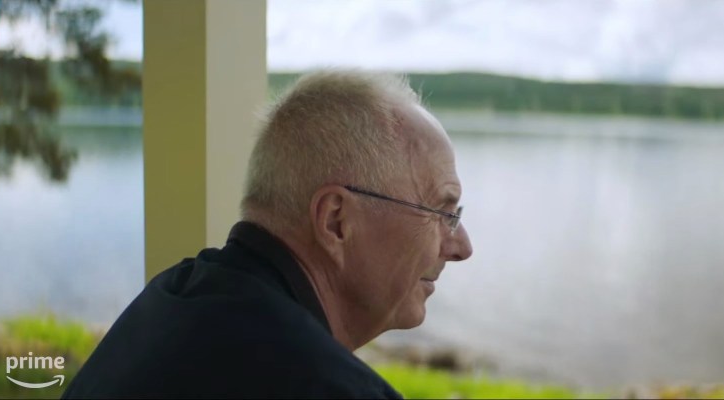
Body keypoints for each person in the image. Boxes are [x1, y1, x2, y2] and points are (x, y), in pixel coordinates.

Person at [62, 70, 473, 399]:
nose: (461, 247)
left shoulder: (168, 301)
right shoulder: (329, 387)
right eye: (442, 211)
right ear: (336, 222)